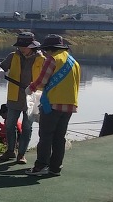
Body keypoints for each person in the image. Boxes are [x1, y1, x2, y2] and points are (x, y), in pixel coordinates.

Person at [25, 34, 80, 177]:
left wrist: (31, 88)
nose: (44, 53)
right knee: (59, 138)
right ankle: (55, 168)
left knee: (45, 136)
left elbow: (42, 81)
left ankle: (41, 166)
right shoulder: (74, 61)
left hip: (52, 104)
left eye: (45, 50)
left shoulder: (53, 59)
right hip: (69, 104)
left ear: (50, 49)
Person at [0, 31, 44, 164]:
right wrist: (0, 71)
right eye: (20, 46)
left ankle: (21, 154)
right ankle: (10, 151)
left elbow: (47, 79)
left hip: (32, 98)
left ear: (32, 46)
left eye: (24, 46)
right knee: (10, 125)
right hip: (14, 96)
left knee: (27, 127)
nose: (21, 49)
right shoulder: (13, 56)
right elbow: (0, 66)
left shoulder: (42, 59)